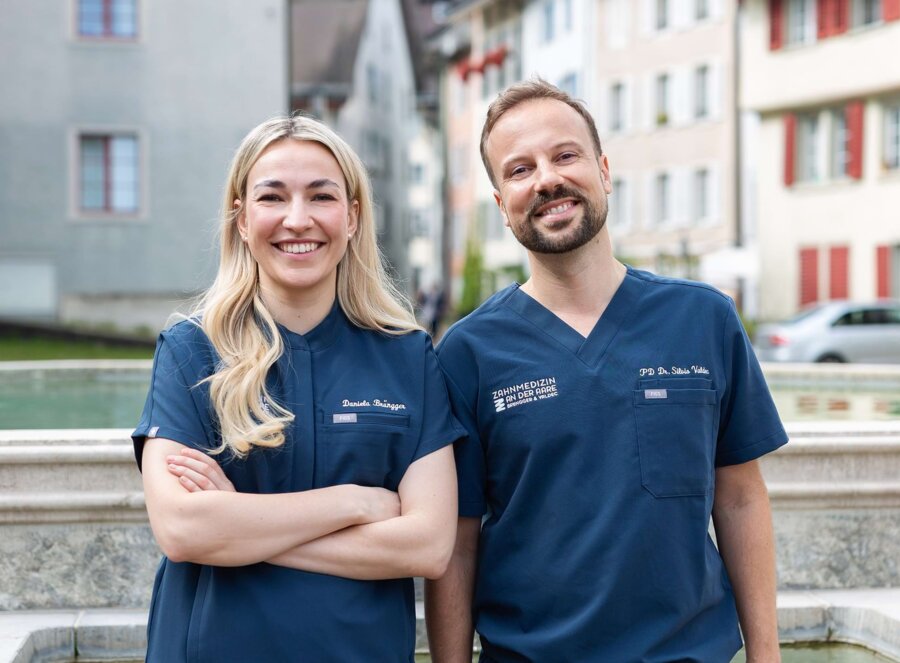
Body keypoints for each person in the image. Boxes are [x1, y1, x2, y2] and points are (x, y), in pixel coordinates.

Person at [425, 80, 787, 663]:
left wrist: (766, 658)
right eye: (519, 169)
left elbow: (741, 498)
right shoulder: (468, 353)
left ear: (604, 169)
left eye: (565, 155)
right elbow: (458, 544)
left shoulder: (703, 319)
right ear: (501, 205)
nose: (546, 179)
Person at [132, 115, 464, 663]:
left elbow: (428, 545)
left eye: (321, 196)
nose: (297, 219)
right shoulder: (190, 349)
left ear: (353, 217)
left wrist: (242, 524)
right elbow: (184, 529)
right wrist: (355, 503)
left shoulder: (407, 357)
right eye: (272, 196)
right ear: (240, 218)